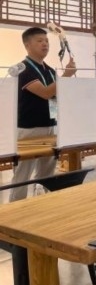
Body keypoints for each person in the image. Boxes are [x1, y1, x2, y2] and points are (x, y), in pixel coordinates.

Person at [9, 27, 76, 202]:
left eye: (46, 41)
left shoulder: (50, 70)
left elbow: (55, 96)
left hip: (50, 125)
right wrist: (66, 76)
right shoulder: (22, 69)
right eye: (39, 41)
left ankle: (43, 204)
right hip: (28, 129)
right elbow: (45, 93)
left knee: (47, 172)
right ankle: (15, 210)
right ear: (27, 45)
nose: (45, 44)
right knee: (22, 174)